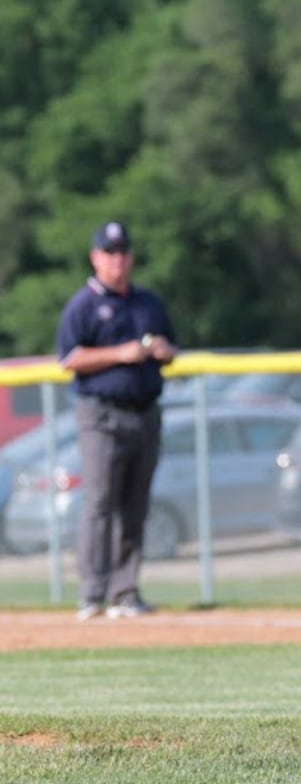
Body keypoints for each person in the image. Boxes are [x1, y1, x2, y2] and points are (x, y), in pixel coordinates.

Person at [56, 221, 177, 621]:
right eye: (109, 252)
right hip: (102, 415)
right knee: (100, 503)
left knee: (135, 505)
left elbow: (172, 348)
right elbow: (69, 358)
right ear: (95, 257)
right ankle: (92, 593)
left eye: (123, 251)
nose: (117, 259)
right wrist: (119, 354)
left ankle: (125, 592)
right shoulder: (84, 304)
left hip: (145, 412)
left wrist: (161, 349)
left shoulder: (147, 302)